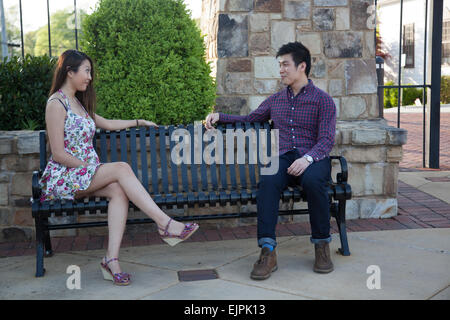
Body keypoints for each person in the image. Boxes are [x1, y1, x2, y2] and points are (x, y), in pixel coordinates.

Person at [39, 49, 199, 286]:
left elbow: (108, 124)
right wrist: (89, 167)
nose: (89, 77)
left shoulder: (79, 104)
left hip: (84, 174)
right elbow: (58, 153)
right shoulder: (56, 103)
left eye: (89, 72)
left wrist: (139, 121)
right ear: (69, 72)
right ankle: (165, 224)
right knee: (122, 168)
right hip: (65, 176)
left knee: (118, 191)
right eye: (86, 71)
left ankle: (110, 260)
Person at [204, 42, 337, 279]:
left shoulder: (323, 100)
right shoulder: (276, 100)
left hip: (314, 158)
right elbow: (250, 119)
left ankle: (321, 245)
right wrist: (220, 116)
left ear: (302, 66)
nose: (282, 70)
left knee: (315, 183)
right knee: (267, 179)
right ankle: (268, 250)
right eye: (280, 65)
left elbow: (326, 140)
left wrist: (307, 159)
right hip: (284, 158)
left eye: (286, 64)